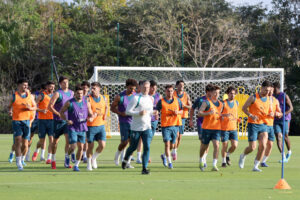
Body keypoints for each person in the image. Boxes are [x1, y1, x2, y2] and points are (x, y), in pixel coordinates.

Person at [122, 81, 158, 174]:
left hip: (147, 127)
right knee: (133, 147)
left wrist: (154, 112)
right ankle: (126, 158)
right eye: (144, 87)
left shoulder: (151, 98)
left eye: (148, 87)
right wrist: (138, 113)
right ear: (140, 87)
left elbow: (149, 112)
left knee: (147, 147)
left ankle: (144, 168)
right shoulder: (136, 98)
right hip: (136, 128)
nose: (146, 89)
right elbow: (127, 111)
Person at [239, 80, 273, 172]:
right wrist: (251, 115)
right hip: (253, 125)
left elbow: (269, 110)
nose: (267, 92)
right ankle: (243, 155)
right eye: (266, 90)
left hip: (263, 124)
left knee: (263, 146)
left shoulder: (269, 98)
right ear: (261, 88)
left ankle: (256, 166)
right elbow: (244, 108)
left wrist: (272, 113)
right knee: (252, 147)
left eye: (269, 90)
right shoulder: (253, 97)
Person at [60, 85, 93, 171]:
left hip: (83, 128)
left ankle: (76, 165)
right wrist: (67, 120)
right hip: (73, 128)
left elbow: (91, 113)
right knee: (73, 146)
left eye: (81, 93)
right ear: (75, 94)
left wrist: (91, 117)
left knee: (81, 148)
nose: (80, 95)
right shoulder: (69, 102)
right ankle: (67, 156)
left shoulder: (87, 102)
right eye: (78, 93)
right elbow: (61, 112)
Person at [8, 79, 36, 170]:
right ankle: (18, 162)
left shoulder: (30, 97)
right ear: (19, 85)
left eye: (27, 85)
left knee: (25, 144)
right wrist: (10, 111)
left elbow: (35, 107)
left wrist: (30, 108)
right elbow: (9, 106)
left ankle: (22, 158)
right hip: (17, 121)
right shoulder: (14, 96)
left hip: (27, 121)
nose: (26, 87)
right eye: (24, 85)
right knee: (17, 140)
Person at [48, 76, 74, 169]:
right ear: (60, 84)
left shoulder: (72, 93)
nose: (66, 84)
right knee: (55, 142)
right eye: (63, 82)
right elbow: (49, 107)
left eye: (67, 82)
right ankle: (53, 159)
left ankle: (66, 161)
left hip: (67, 122)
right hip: (57, 122)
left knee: (69, 141)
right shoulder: (57, 94)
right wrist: (58, 114)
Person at [111, 79, 137, 166]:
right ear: (126, 87)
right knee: (124, 142)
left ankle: (127, 162)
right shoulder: (120, 97)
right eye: (130, 88)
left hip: (134, 122)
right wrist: (120, 113)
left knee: (133, 143)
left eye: (134, 89)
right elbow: (112, 108)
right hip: (124, 122)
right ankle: (117, 155)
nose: (132, 90)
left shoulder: (136, 96)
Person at [157, 84, 183, 169]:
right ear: (165, 91)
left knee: (173, 145)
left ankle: (164, 156)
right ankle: (169, 162)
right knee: (167, 145)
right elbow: (156, 110)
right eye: (168, 91)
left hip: (175, 125)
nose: (170, 92)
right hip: (165, 126)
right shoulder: (161, 101)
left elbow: (182, 111)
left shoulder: (177, 100)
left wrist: (177, 113)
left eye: (171, 91)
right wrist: (155, 114)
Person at [198, 85, 223, 171]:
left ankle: (214, 165)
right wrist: (208, 113)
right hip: (207, 128)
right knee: (204, 146)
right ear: (211, 93)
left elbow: (219, 115)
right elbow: (199, 113)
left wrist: (223, 117)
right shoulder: (206, 102)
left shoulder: (221, 104)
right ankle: (201, 159)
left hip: (217, 128)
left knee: (216, 145)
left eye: (218, 93)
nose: (216, 94)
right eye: (215, 93)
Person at [189, 84, 214, 168]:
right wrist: (191, 120)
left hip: (211, 124)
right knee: (203, 142)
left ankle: (204, 158)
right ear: (207, 92)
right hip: (201, 123)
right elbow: (192, 108)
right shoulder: (200, 100)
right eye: (211, 92)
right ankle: (202, 159)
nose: (212, 93)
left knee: (208, 143)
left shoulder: (214, 101)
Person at [86, 82, 108, 171]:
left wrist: (105, 115)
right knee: (90, 146)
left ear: (99, 89)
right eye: (91, 88)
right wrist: (92, 115)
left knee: (102, 145)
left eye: (94, 88)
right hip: (91, 126)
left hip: (101, 125)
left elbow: (106, 107)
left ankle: (94, 158)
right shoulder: (88, 98)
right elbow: (88, 109)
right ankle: (88, 164)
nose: (92, 90)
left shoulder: (103, 98)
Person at [32, 81, 55, 164]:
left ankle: (48, 158)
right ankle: (36, 150)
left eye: (53, 87)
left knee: (51, 139)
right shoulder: (41, 95)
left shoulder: (55, 96)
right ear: (47, 87)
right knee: (42, 140)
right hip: (42, 121)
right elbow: (33, 107)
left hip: (52, 120)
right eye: (50, 87)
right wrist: (41, 110)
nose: (52, 88)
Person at [261, 86, 282, 167]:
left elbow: (280, 113)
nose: (270, 92)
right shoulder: (262, 99)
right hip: (262, 124)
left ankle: (263, 161)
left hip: (271, 125)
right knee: (263, 144)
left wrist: (277, 114)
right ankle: (257, 161)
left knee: (270, 144)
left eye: (271, 91)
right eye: (268, 90)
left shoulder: (275, 101)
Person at [273, 82, 293, 162]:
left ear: (276, 87)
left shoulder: (284, 96)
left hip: (285, 119)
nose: (271, 89)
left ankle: (289, 151)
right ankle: (283, 156)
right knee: (278, 137)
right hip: (276, 120)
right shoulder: (272, 97)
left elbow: (291, 108)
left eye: (272, 87)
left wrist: (282, 114)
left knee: (285, 136)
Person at [172, 80, 191, 160]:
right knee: (176, 135)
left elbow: (190, 107)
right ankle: (173, 151)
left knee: (179, 136)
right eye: (180, 85)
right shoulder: (173, 94)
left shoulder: (186, 95)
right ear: (176, 86)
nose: (181, 87)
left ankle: (175, 150)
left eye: (183, 85)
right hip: (175, 117)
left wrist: (184, 105)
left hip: (183, 117)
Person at [220, 86, 239, 167]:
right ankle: (223, 162)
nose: (232, 95)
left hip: (233, 128)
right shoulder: (223, 103)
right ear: (227, 94)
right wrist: (224, 115)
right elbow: (218, 114)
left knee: (235, 145)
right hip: (225, 128)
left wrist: (238, 119)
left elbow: (235, 113)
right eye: (231, 93)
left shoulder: (236, 103)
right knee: (225, 145)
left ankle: (227, 155)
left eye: (234, 94)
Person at [81, 81, 91, 163]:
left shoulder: (90, 97)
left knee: (86, 139)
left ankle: (84, 156)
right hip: (77, 120)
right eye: (83, 87)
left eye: (86, 88)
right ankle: (77, 154)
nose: (85, 89)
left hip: (86, 120)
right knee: (78, 140)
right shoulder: (77, 96)